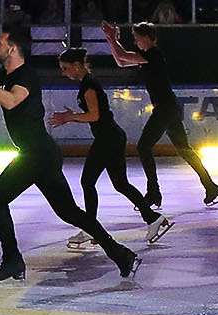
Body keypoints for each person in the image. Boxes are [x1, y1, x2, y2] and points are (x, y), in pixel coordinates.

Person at [0, 22, 141, 283]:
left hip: (37, 153)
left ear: (13, 48)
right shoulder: (3, 77)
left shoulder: (27, 76)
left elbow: (11, 101)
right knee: (70, 212)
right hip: (39, 153)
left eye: (0, 42)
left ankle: (12, 261)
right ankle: (121, 254)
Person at [50, 46, 171, 248]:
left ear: (77, 66)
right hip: (111, 137)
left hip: (108, 139)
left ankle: (91, 228)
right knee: (120, 184)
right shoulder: (87, 83)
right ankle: (152, 218)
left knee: (88, 182)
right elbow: (94, 116)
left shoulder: (89, 85)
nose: (64, 72)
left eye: (66, 68)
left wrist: (69, 117)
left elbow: (95, 116)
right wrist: (71, 117)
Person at [101, 19, 218, 210]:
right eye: (134, 39)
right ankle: (210, 186)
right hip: (170, 107)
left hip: (166, 108)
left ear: (149, 38)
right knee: (185, 150)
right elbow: (120, 61)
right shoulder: (146, 55)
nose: (136, 42)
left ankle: (153, 192)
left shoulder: (153, 54)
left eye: (138, 39)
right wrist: (112, 40)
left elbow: (121, 54)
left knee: (144, 147)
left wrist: (112, 38)